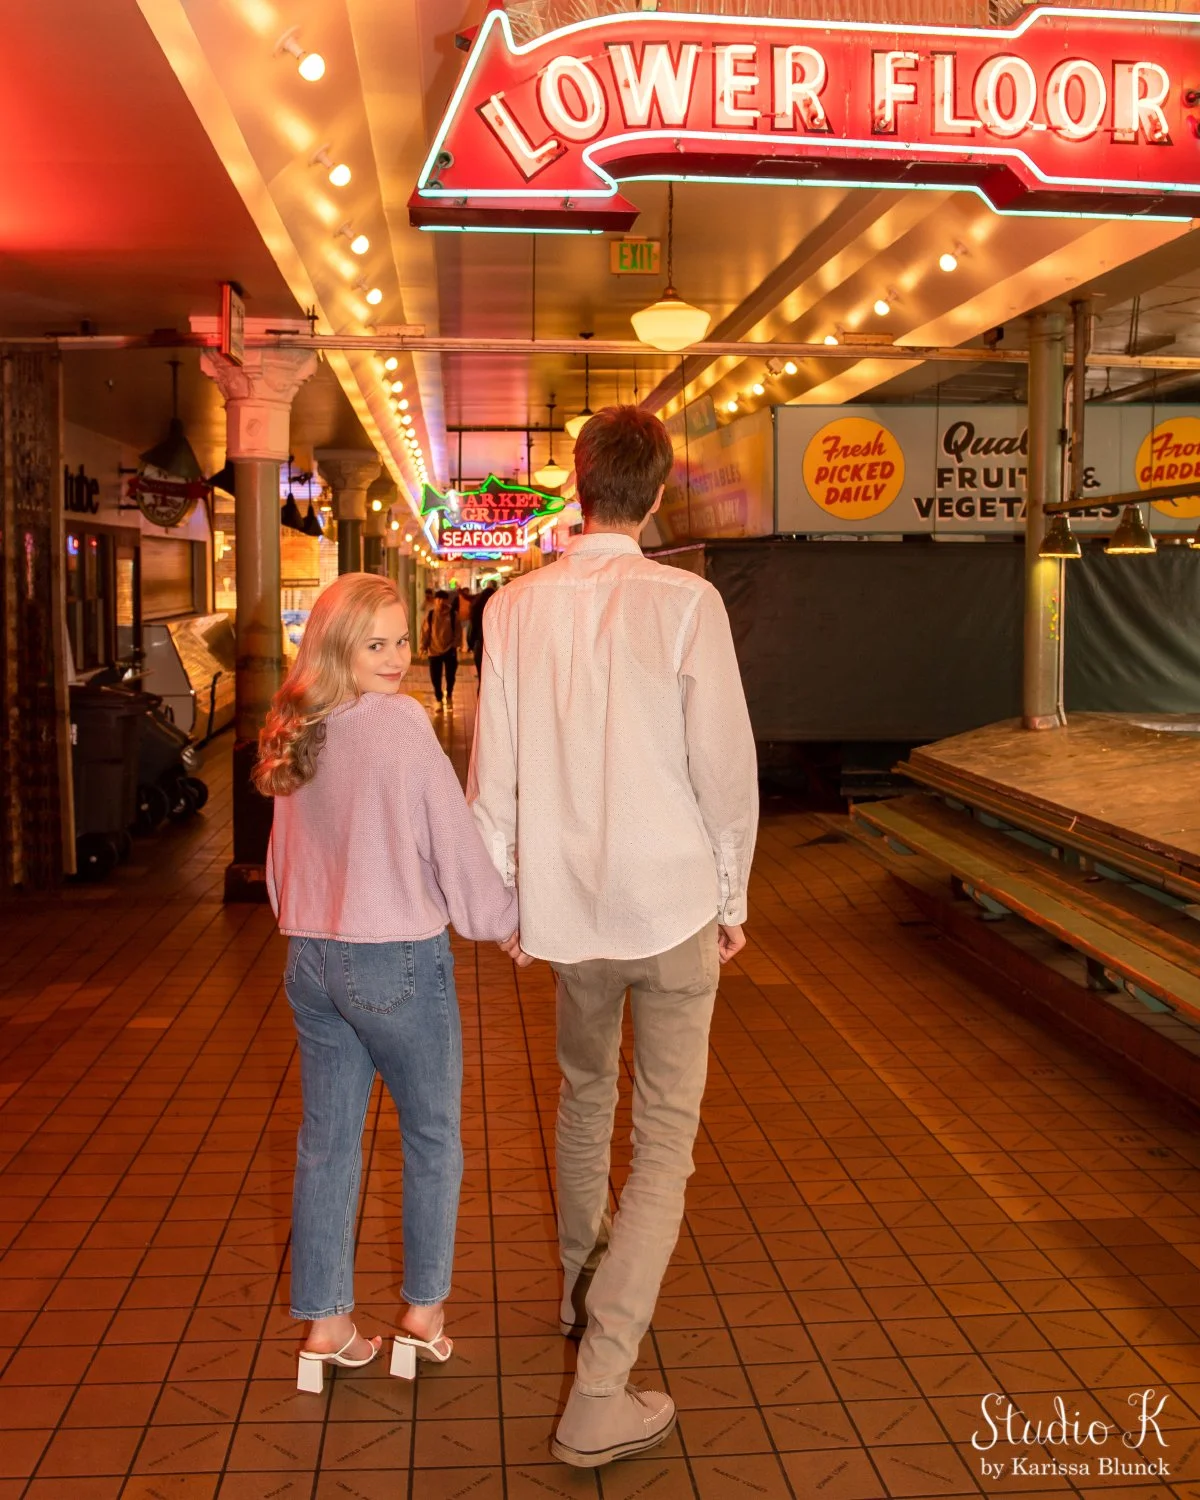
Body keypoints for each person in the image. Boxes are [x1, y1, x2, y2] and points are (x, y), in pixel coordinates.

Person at [468, 407, 758, 1468]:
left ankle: (579, 1291)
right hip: (674, 903)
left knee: (584, 1099)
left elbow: (491, 771)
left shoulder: (512, 609)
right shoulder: (687, 602)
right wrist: (732, 898)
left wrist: (505, 899)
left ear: (576, 485)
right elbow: (722, 766)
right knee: (665, 1143)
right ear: (660, 490)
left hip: (570, 914)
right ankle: (601, 1384)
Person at [254, 572, 519, 1395]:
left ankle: (326, 1326)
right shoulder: (399, 725)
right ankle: (422, 1319)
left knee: (327, 1141)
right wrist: (501, 917)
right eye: (377, 644)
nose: (399, 657)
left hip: (311, 961)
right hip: (393, 958)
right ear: (339, 647)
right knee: (433, 1138)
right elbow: (453, 841)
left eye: (404, 640)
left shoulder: (296, 721)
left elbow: (280, 859)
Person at [421, 588, 458, 711]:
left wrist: (454, 645)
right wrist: (423, 646)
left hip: (449, 650)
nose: (441, 601)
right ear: (435, 600)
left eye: (443, 599)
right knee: (435, 677)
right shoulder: (431, 615)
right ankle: (438, 699)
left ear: (447, 600)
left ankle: (449, 696)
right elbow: (425, 632)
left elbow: (457, 632)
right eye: (438, 599)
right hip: (434, 651)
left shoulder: (453, 615)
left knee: (450, 676)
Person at [467, 584, 496, 678]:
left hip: (480, 645)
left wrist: (471, 645)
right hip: (495, 647)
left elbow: (472, 630)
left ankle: (481, 692)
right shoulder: (498, 609)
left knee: (482, 677)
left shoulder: (476, 610)